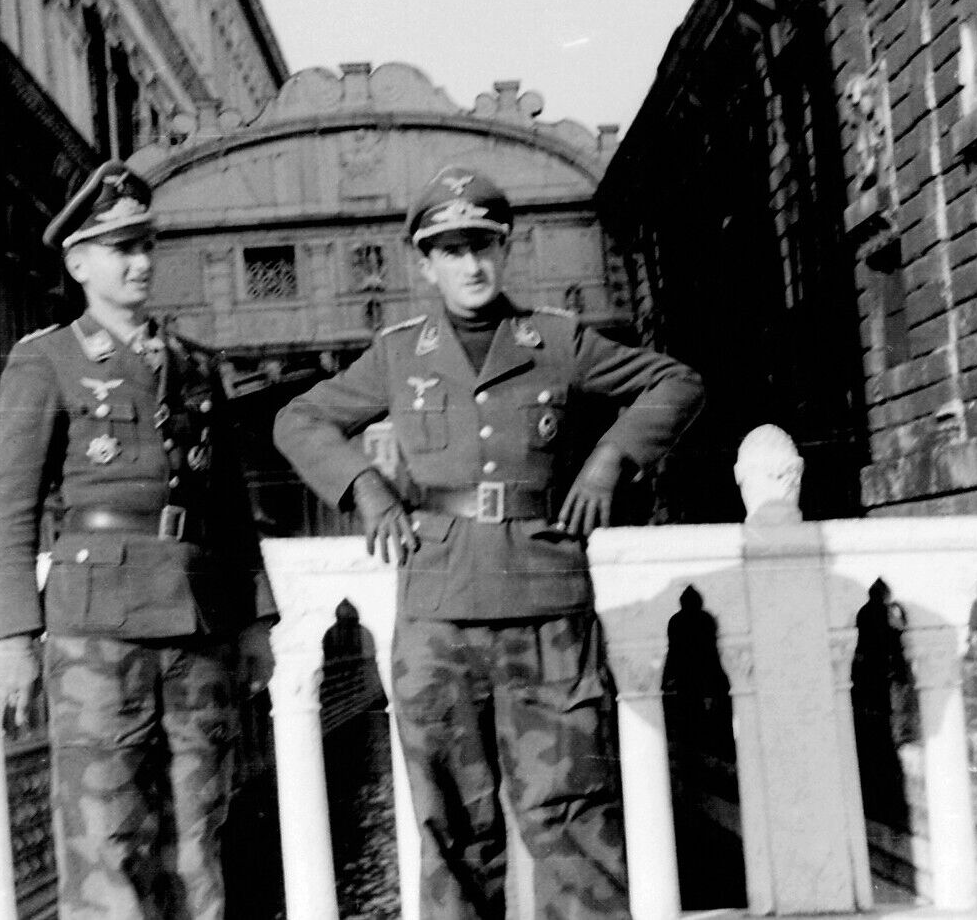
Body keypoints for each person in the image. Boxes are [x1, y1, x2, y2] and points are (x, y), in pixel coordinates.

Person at [274, 166, 704, 919]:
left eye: (483, 245)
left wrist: (610, 457)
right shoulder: (398, 354)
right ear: (425, 263)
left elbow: (678, 382)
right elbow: (298, 420)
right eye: (451, 250)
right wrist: (364, 486)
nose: (470, 264)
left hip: (545, 606)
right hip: (438, 612)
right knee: (453, 832)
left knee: (573, 818)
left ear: (505, 250)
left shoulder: (557, 340)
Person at [0, 160, 278, 920]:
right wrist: (15, 636)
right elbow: (9, 504)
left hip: (198, 627)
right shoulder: (46, 360)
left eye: (146, 244)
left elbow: (231, 508)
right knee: (106, 845)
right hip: (96, 635)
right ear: (79, 263)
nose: (140, 261)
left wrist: (255, 619)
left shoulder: (196, 366)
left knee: (199, 843)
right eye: (121, 248)